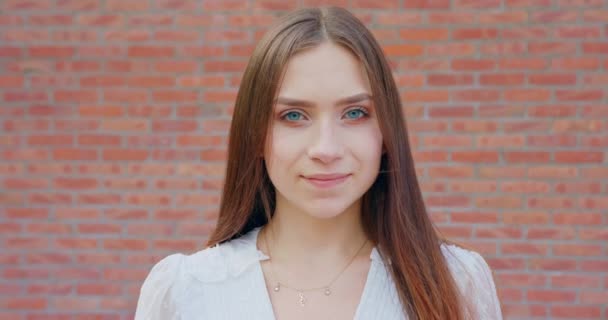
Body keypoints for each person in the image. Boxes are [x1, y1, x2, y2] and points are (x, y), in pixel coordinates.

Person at [134, 6, 502, 320]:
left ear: (387, 133)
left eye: (355, 112)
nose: (326, 148)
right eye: (293, 116)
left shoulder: (456, 281)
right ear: (255, 134)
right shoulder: (184, 291)